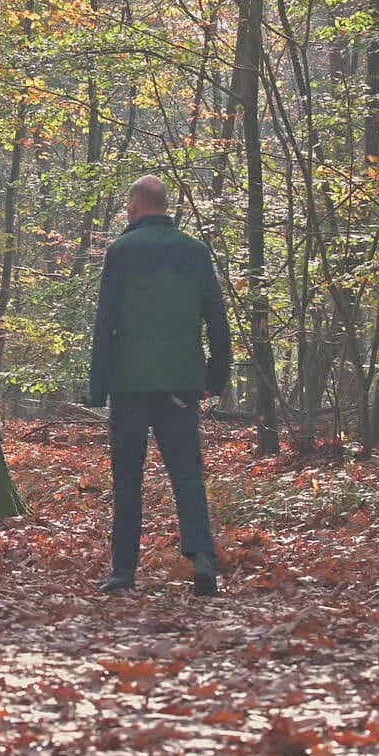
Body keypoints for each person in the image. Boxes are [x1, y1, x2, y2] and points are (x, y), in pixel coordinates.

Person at [89, 175, 231, 598]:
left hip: (130, 383)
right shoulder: (195, 251)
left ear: (134, 206)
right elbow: (217, 321)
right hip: (181, 384)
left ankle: (124, 571)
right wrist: (213, 377)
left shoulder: (121, 252)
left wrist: (98, 387)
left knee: (128, 478)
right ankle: (202, 558)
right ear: (164, 205)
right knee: (187, 472)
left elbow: (106, 323)